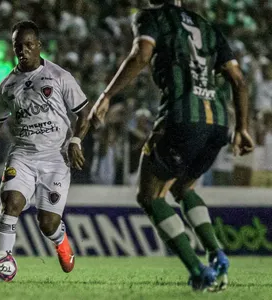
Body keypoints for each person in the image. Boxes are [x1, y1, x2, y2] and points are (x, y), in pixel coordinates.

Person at [89, 0, 254, 291]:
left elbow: (141, 56)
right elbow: (238, 81)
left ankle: (198, 271)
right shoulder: (208, 26)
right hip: (218, 122)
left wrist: (107, 95)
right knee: (183, 188)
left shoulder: (151, 18)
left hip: (182, 118)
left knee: (150, 196)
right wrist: (242, 128)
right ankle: (217, 254)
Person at [0, 20, 91, 273]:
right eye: (18, 46)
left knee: (48, 223)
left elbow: (84, 114)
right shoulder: (6, 86)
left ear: (39, 45)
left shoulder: (60, 77)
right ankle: (1, 259)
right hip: (23, 156)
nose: (23, 50)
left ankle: (61, 242)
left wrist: (75, 140)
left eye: (29, 45)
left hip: (55, 158)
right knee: (10, 204)